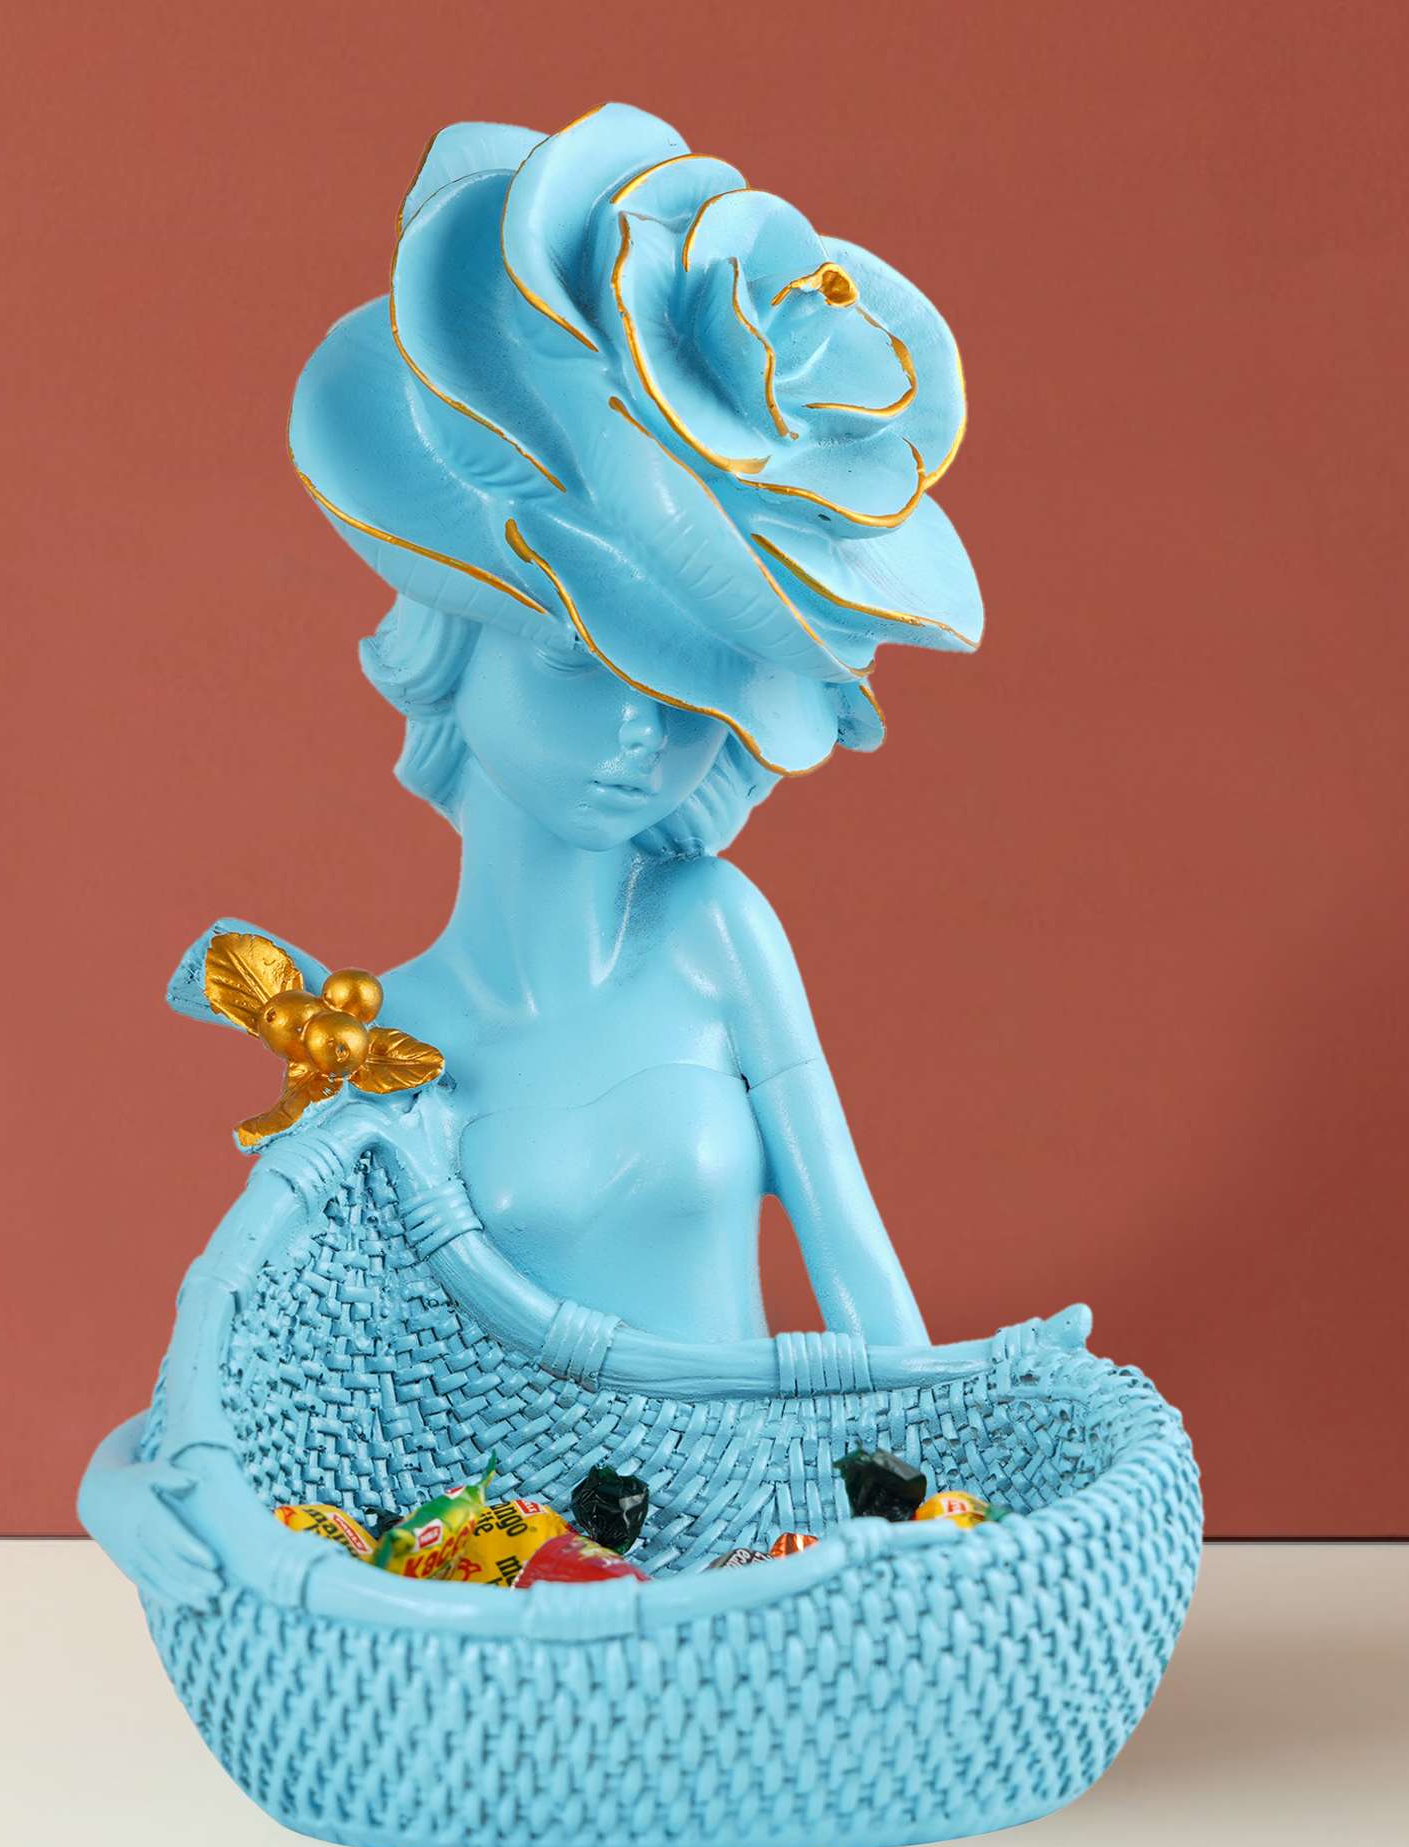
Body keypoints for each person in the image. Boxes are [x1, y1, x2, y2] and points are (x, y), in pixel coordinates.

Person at [83, 103, 982, 1599]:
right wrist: (119, 1494)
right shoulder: (373, 1041)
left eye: (690, 694)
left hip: (760, 1565)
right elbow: (228, 1359)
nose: (640, 732)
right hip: (508, 1601)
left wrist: (938, 1508)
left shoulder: (713, 931)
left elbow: (860, 1272)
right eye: (581, 664)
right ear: (453, 647)